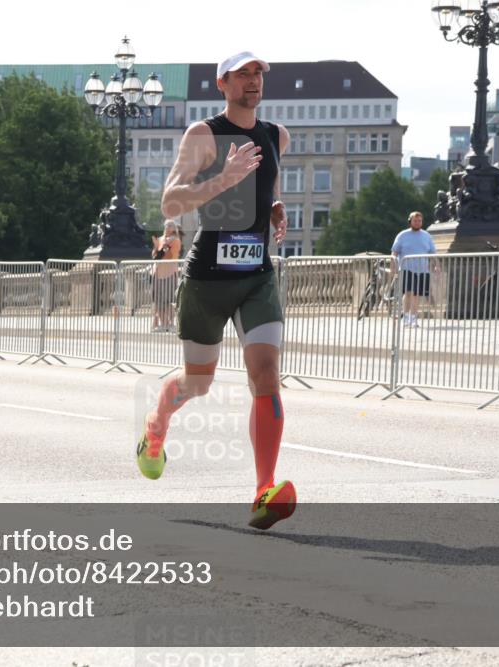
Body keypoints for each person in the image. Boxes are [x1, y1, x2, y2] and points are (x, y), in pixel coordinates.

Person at [136, 51, 295, 531]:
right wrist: (225, 177)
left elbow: (261, 184)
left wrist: (273, 207)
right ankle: (157, 427)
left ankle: (263, 489)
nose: (254, 81)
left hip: (256, 277)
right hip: (207, 278)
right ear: (222, 83)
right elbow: (171, 199)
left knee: (266, 374)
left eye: (259, 73)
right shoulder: (203, 135)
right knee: (198, 383)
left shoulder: (275, 136)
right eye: (243, 74)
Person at [391, 211, 438, 328]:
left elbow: (432, 252)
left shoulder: (427, 235)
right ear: (410, 221)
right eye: (415, 221)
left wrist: (437, 265)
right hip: (407, 268)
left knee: (417, 294)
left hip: (422, 270)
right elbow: (394, 252)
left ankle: (413, 317)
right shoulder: (402, 235)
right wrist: (393, 266)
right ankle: (405, 316)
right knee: (408, 293)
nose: (417, 223)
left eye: (420, 221)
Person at [151, 220, 182, 332]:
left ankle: (171, 324)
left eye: (171, 225)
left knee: (170, 299)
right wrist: (156, 246)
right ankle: (164, 324)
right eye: (167, 225)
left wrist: (164, 245)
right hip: (158, 272)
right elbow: (155, 256)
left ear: (174, 229)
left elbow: (169, 256)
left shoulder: (176, 240)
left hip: (169, 272)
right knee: (159, 300)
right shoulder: (160, 239)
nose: (168, 227)